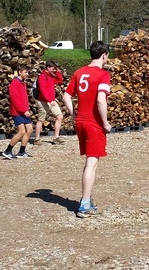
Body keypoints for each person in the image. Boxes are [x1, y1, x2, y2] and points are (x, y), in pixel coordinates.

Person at [62, 41, 111, 218]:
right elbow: (100, 100)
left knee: (91, 161)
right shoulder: (103, 75)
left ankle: (87, 199)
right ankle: (84, 203)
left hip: (81, 121)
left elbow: (66, 95)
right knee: (91, 163)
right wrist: (105, 122)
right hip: (93, 123)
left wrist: (73, 113)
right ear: (104, 54)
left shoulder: (79, 72)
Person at [3, 66, 34, 159]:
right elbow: (15, 99)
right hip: (17, 111)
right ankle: (8, 151)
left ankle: (22, 151)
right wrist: (23, 110)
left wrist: (26, 109)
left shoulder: (22, 83)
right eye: (25, 72)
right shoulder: (15, 83)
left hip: (24, 110)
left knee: (30, 130)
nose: (27, 74)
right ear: (20, 72)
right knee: (21, 131)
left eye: (27, 73)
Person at [33, 61, 65, 145]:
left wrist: (57, 72)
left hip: (51, 100)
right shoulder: (42, 77)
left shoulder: (50, 76)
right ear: (47, 68)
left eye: (55, 69)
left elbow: (60, 80)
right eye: (53, 69)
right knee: (41, 119)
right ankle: (37, 139)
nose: (54, 71)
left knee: (59, 116)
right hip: (43, 101)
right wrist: (49, 100)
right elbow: (42, 90)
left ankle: (56, 137)